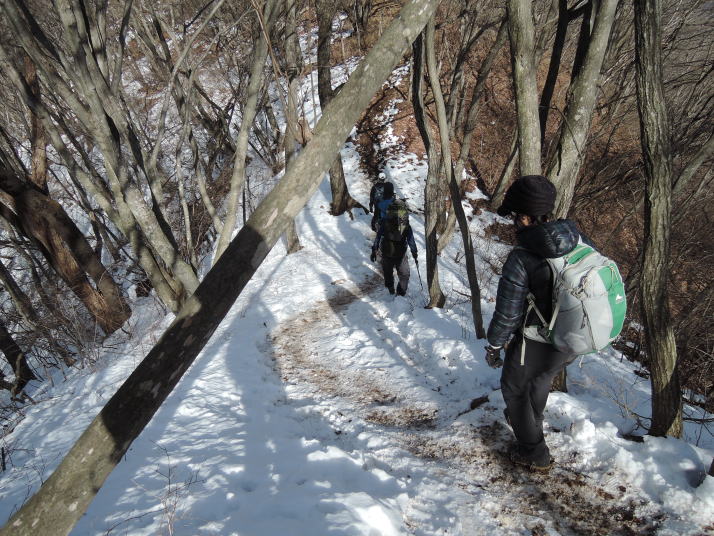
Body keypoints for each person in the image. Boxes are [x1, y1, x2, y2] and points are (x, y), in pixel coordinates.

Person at [485, 175, 594, 472]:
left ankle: (534, 452)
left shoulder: (522, 257)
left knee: (514, 388)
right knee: (541, 379)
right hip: (572, 336)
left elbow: (507, 314)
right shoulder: (578, 238)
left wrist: (494, 345)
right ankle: (531, 423)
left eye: (514, 217)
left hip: (535, 339)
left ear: (523, 217)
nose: (512, 223)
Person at [370, 182, 418, 296]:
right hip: (400, 250)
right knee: (404, 274)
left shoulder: (382, 205)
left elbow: (378, 236)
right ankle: (401, 293)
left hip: (385, 239)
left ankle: (390, 288)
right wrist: (414, 253)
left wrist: (374, 249)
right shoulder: (405, 225)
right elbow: (411, 239)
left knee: (387, 270)